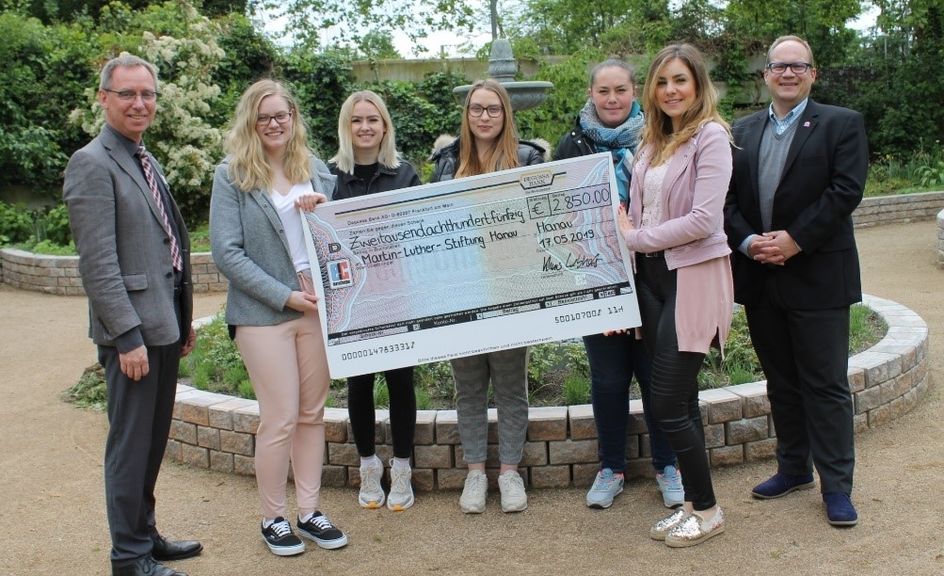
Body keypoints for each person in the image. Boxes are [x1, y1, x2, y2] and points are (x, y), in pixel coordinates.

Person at [63, 53, 201, 576]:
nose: (140, 103)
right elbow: (97, 265)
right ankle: (129, 557)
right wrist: (126, 337)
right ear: (104, 98)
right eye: (127, 94)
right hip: (134, 335)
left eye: (148, 94)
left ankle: (145, 536)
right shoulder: (92, 162)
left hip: (162, 324)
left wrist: (181, 318)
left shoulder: (144, 157)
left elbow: (166, 244)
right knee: (129, 447)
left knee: (152, 441)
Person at [724, 35, 867, 527]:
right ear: (765, 75)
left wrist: (794, 240)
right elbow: (726, 202)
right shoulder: (739, 131)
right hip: (761, 276)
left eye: (798, 66)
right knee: (781, 382)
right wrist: (748, 243)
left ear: (813, 74)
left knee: (824, 386)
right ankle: (793, 468)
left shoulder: (841, 124)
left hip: (819, 276)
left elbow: (845, 191)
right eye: (779, 66)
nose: (787, 73)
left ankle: (837, 487)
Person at [210, 79, 348, 556]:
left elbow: (340, 234)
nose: (273, 124)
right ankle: (272, 517)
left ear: (293, 119)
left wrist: (324, 211)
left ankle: (309, 511)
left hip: (318, 308)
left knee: (312, 415)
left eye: (281, 115)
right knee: (280, 417)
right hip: (264, 312)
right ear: (251, 121)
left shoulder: (318, 171)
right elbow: (227, 253)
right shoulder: (232, 176)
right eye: (264, 116)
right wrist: (285, 296)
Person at [616, 43, 734, 547]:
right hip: (652, 280)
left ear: (698, 84)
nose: (670, 90)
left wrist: (635, 238)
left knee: (664, 402)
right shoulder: (650, 143)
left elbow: (706, 220)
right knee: (681, 399)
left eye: (680, 80)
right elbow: (638, 216)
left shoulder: (712, 137)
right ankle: (693, 504)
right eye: (662, 82)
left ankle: (707, 510)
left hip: (692, 277)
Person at [553, 58, 683, 510]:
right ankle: (611, 467)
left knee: (656, 377)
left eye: (621, 90)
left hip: (653, 275)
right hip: (596, 278)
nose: (612, 99)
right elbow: (558, 219)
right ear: (591, 93)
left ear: (634, 92)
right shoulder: (569, 147)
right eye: (603, 91)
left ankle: (669, 465)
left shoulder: (660, 138)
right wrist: (598, 274)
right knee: (608, 381)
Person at [429, 79, 544, 513]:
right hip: (460, 290)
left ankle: (510, 473)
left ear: (506, 113)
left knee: (512, 387)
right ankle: (475, 474)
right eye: (477, 108)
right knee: (469, 388)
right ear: (467, 113)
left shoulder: (528, 157)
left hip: (511, 287)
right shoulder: (446, 161)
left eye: (493, 109)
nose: (484, 116)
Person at [328, 90, 421, 511]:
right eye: (356, 120)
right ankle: (368, 464)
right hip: (353, 300)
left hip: (396, 296)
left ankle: (402, 466)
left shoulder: (406, 175)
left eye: (373, 120)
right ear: (347, 128)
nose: (365, 127)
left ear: (385, 126)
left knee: (402, 383)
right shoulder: (330, 179)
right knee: (359, 384)